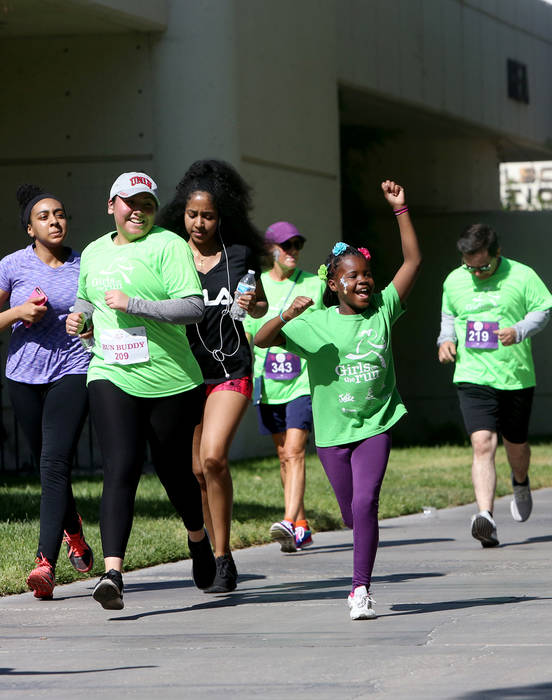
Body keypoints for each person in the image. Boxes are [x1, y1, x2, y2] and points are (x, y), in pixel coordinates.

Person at [254, 180, 421, 620]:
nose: (363, 280)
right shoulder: (318, 323)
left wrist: (400, 210)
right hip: (332, 433)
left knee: (366, 505)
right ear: (335, 284)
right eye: (353, 276)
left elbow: (413, 260)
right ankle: (360, 555)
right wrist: (285, 314)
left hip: (376, 423)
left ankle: (359, 589)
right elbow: (261, 338)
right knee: (351, 514)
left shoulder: (384, 308)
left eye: (366, 273)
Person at [66, 172, 214, 611]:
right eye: (130, 203)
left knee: (173, 472)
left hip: (170, 380)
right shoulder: (93, 251)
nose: (138, 211)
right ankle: (112, 574)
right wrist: (80, 320)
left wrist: (136, 306)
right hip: (110, 371)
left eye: (147, 204)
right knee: (121, 466)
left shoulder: (168, 246)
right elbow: (85, 300)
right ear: (111, 204)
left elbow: (193, 308)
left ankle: (198, 538)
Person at [0, 184, 94, 599]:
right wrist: (17, 312)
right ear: (30, 228)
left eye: (59, 214)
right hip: (24, 375)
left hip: (74, 369)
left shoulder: (85, 264)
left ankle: (45, 564)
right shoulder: (11, 266)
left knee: (54, 461)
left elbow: (101, 315)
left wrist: (89, 325)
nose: (54, 221)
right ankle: (74, 529)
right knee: (48, 464)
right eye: (44, 216)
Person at [157, 160, 269, 593]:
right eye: (192, 214)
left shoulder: (239, 257)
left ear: (221, 217)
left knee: (213, 457)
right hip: (183, 375)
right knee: (196, 472)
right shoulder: (169, 254)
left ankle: (223, 558)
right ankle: (209, 548)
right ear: (181, 215)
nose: (199, 222)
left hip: (230, 369)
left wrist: (255, 302)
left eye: (207, 215)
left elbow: (254, 310)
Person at [437, 224, 552, 547]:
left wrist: (520, 330)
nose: (476, 273)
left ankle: (520, 482)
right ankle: (486, 516)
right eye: (469, 266)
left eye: (483, 266)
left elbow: (543, 309)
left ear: (497, 253)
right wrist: (445, 341)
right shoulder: (453, 280)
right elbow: (449, 318)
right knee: (483, 444)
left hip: (515, 375)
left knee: (515, 442)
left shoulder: (522, 275)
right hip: (472, 375)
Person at [243, 221, 322, 552]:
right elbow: (249, 335)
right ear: (270, 250)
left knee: (295, 451)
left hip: (303, 380)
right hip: (268, 383)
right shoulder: (257, 287)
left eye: (297, 245)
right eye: (286, 245)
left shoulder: (315, 285)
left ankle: (288, 521)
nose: (293, 251)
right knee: (282, 455)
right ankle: (301, 523)